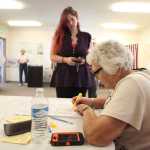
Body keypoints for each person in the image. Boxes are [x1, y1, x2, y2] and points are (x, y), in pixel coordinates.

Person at [73, 40, 150, 150]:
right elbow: (119, 102)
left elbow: (96, 137)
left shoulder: (132, 84)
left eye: (96, 72)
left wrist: (86, 109)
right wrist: (92, 101)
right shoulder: (140, 74)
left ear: (116, 68)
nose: (96, 78)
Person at [50, 6, 93, 98]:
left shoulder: (87, 36)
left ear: (77, 18)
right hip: (63, 76)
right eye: (67, 21)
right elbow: (52, 56)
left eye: (72, 19)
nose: (70, 23)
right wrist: (65, 59)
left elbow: (91, 57)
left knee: (79, 103)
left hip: (81, 76)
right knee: (62, 104)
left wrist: (84, 60)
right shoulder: (58, 36)